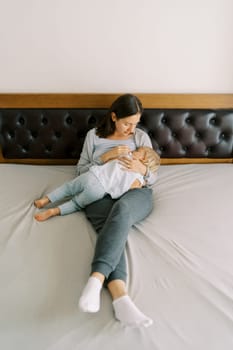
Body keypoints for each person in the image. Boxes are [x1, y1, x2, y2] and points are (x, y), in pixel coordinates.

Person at [73, 94, 157, 328]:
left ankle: (95, 279)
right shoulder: (94, 137)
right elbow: (80, 173)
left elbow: (154, 174)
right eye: (127, 123)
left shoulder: (141, 137)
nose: (132, 129)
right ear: (114, 116)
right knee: (110, 224)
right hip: (100, 191)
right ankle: (121, 300)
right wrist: (105, 157)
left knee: (121, 211)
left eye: (136, 123)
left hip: (135, 193)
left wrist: (144, 170)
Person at [33, 146, 160, 222]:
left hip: (92, 176)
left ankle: (45, 200)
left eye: (138, 150)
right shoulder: (140, 179)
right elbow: (132, 190)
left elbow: (109, 160)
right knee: (76, 204)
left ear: (143, 159)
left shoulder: (126, 155)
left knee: (68, 188)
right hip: (100, 191)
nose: (134, 150)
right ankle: (53, 212)